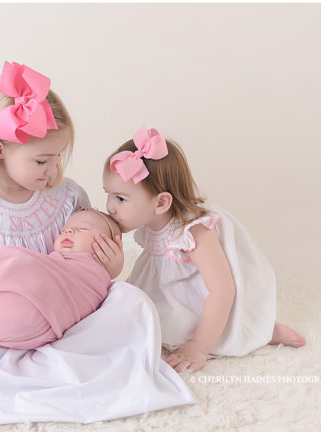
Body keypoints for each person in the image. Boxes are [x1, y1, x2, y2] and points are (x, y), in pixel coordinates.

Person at [0, 62, 194, 431]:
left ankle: (47, 362)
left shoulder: (66, 198)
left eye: (57, 158)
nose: (51, 170)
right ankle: (15, 370)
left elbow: (80, 273)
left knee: (133, 304)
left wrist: (107, 271)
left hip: (61, 320)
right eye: (42, 160)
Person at [103, 126, 306, 373]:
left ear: (161, 203)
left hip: (213, 301)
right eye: (109, 195)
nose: (110, 207)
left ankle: (263, 329)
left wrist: (199, 347)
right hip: (176, 294)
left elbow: (223, 289)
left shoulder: (193, 230)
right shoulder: (150, 224)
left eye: (121, 199)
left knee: (238, 326)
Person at [0, 208, 120, 349]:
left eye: (82, 229)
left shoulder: (94, 276)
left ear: (107, 246)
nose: (68, 231)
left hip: (27, 318)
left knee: (18, 261)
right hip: (7, 320)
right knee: (23, 265)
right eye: (64, 230)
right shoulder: (54, 263)